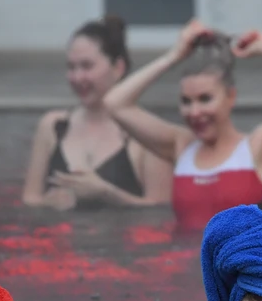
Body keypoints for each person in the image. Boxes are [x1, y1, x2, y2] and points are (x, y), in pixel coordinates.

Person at [104, 19, 262, 230]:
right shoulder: (181, 146)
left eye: (205, 99)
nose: (195, 112)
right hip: (185, 263)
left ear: (230, 97)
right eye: (186, 101)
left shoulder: (260, 146)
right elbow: (114, 103)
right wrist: (173, 56)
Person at [22, 15, 173, 210]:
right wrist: (47, 203)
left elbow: (161, 209)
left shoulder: (147, 134)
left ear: (118, 68)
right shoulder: (52, 126)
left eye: (87, 66)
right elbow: (29, 200)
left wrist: (108, 194)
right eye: (71, 67)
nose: (77, 77)